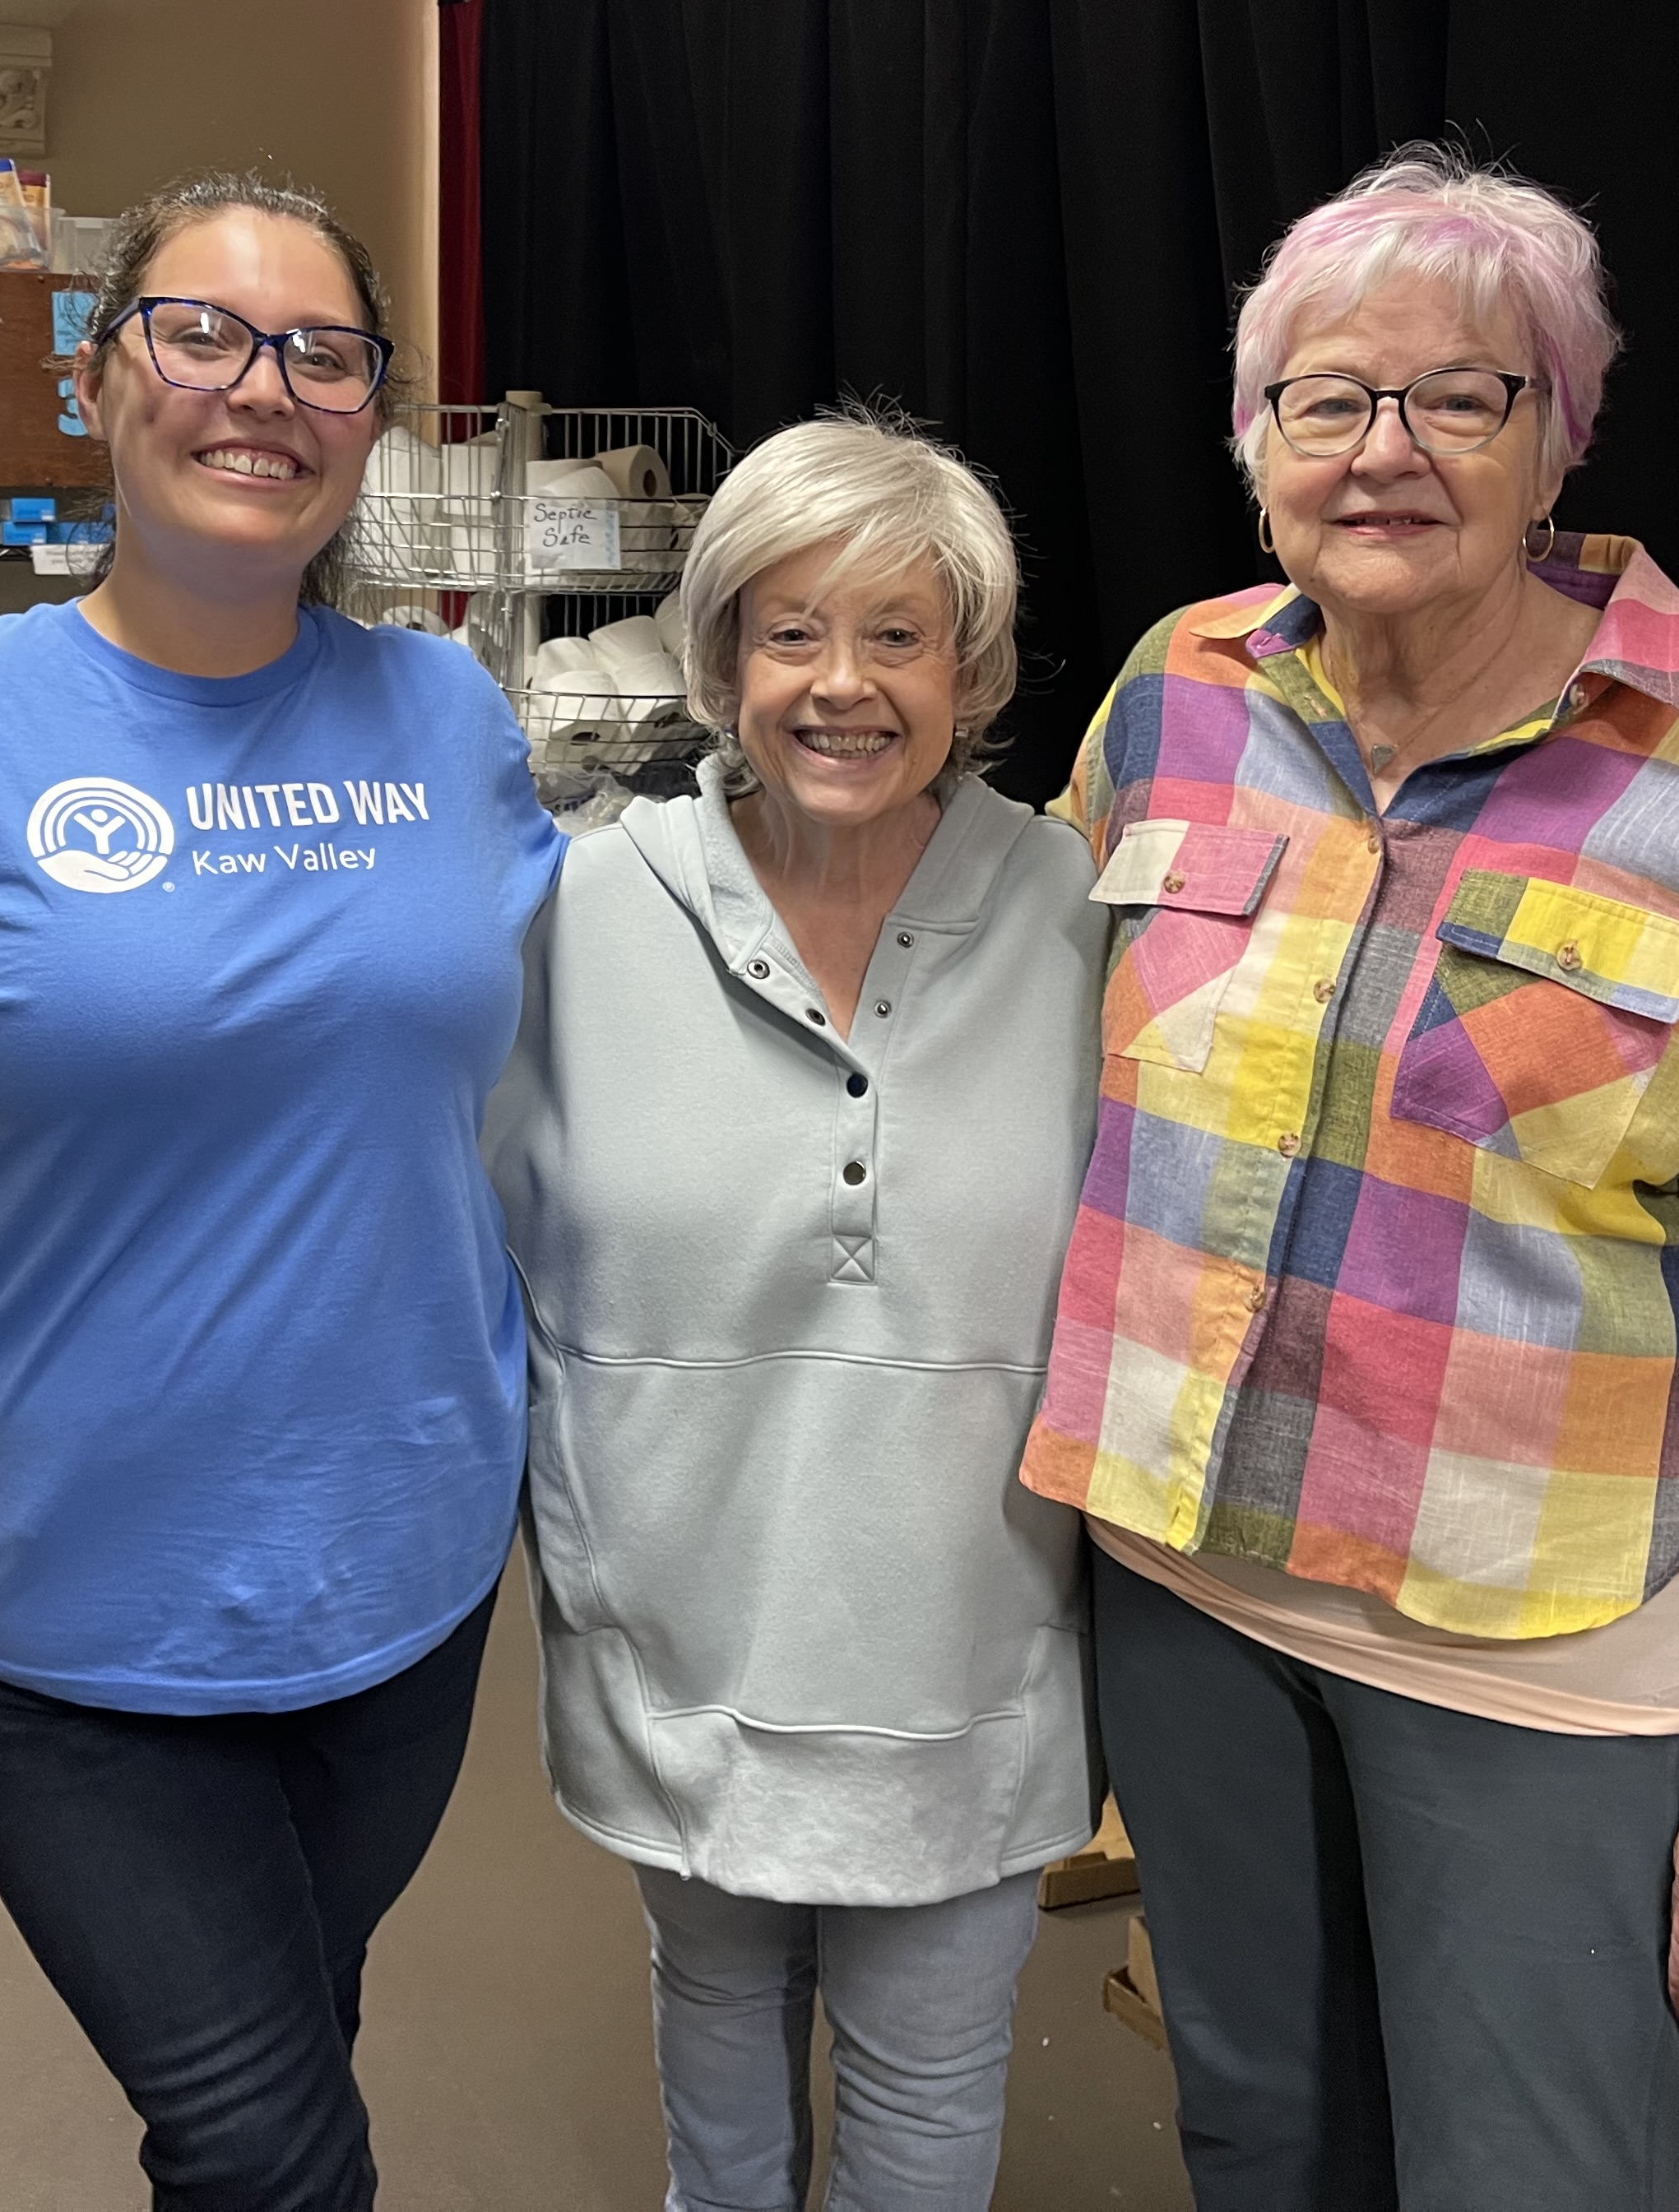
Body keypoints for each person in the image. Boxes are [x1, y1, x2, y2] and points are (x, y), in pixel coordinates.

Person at [1017, 145, 1679, 2211]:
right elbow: (1020, 1077)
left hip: (1536, 1648)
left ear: (1559, 439)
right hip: (1184, 1587)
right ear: (1256, 440)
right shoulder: (1179, 693)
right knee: (1262, 2135)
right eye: (1327, 400)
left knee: (1528, 2173)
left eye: (1463, 395)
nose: (1387, 450)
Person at [0, 172, 560, 2212]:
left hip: (405, 1572)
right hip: (73, 1603)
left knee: (287, 2040)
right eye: (201, 332)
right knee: (266, 2147)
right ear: (100, 378)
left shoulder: (453, 718)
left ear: (374, 408)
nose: (262, 389)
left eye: (321, 352)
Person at [486, 413, 1102, 2212]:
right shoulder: (580, 912)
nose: (842, 686)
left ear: (973, 669)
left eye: (898, 636)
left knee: (926, 2126)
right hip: (675, 1646)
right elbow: (481, 1251)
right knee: (721, 2103)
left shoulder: (1076, 913)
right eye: (790, 632)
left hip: (970, 1663)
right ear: (719, 658)